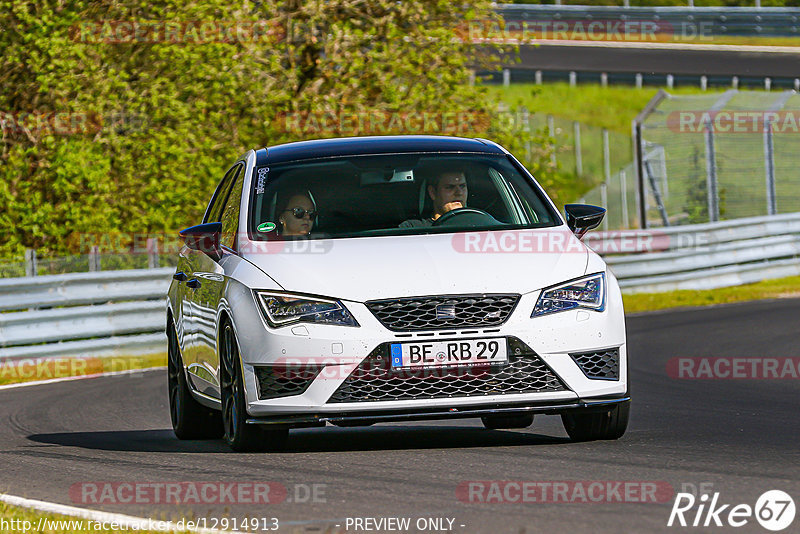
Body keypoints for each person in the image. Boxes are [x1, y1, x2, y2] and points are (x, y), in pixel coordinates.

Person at [399, 170, 468, 228]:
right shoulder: (412, 228)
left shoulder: (477, 224)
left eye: (462, 186)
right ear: (433, 193)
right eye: (450, 187)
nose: (459, 192)